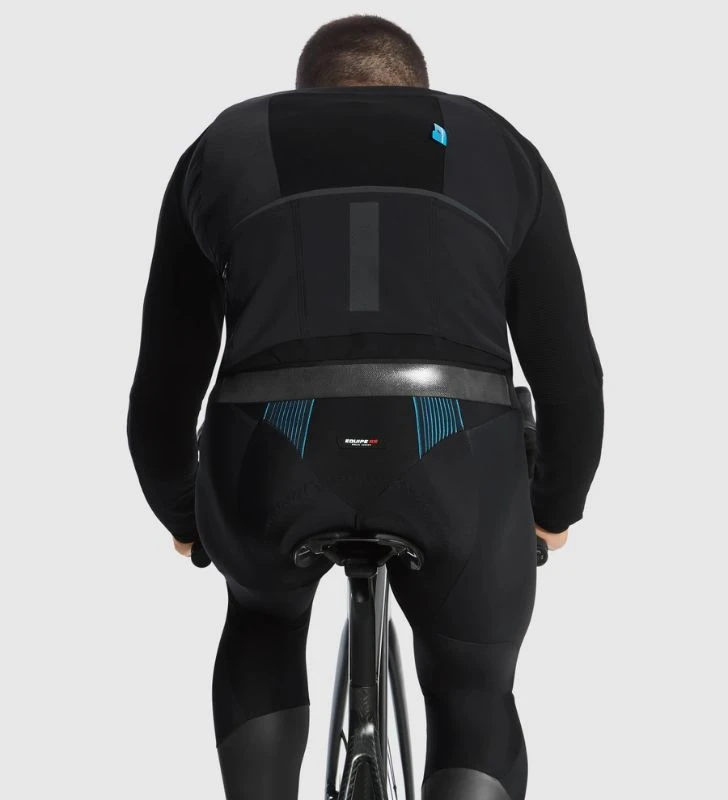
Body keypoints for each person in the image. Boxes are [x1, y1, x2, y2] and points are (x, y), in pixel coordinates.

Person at [126, 13, 603, 800]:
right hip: (454, 452)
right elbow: (570, 378)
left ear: (307, 91)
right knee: (474, 685)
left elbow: (165, 381)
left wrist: (184, 515)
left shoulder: (226, 144)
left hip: (274, 453)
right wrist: (555, 508)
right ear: (415, 87)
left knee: (262, 620)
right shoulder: (496, 144)